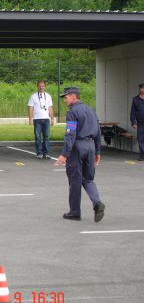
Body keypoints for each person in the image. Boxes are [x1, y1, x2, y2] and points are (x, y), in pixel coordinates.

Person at [55, 87, 105, 223]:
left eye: (66, 97)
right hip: (90, 146)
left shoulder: (73, 112)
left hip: (78, 147)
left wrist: (65, 154)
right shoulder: (91, 110)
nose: (65, 100)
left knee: (75, 179)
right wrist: (98, 151)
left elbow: (70, 134)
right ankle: (97, 203)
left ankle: (75, 212)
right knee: (88, 179)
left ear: (73, 96)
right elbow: (98, 132)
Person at [28, 79, 55, 159]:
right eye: (40, 86)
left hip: (46, 119)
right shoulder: (33, 96)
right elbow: (31, 108)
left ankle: (46, 153)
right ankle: (39, 153)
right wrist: (30, 118)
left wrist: (52, 118)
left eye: (43, 86)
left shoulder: (48, 96)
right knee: (38, 137)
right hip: (37, 119)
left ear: (45, 86)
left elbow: (50, 107)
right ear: (37, 86)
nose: (41, 87)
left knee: (46, 136)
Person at [130, 82, 144, 161]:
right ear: (140, 89)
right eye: (142, 88)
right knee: (140, 139)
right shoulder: (136, 99)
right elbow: (133, 112)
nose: (143, 89)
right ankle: (142, 156)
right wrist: (133, 122)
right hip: (140, 123)